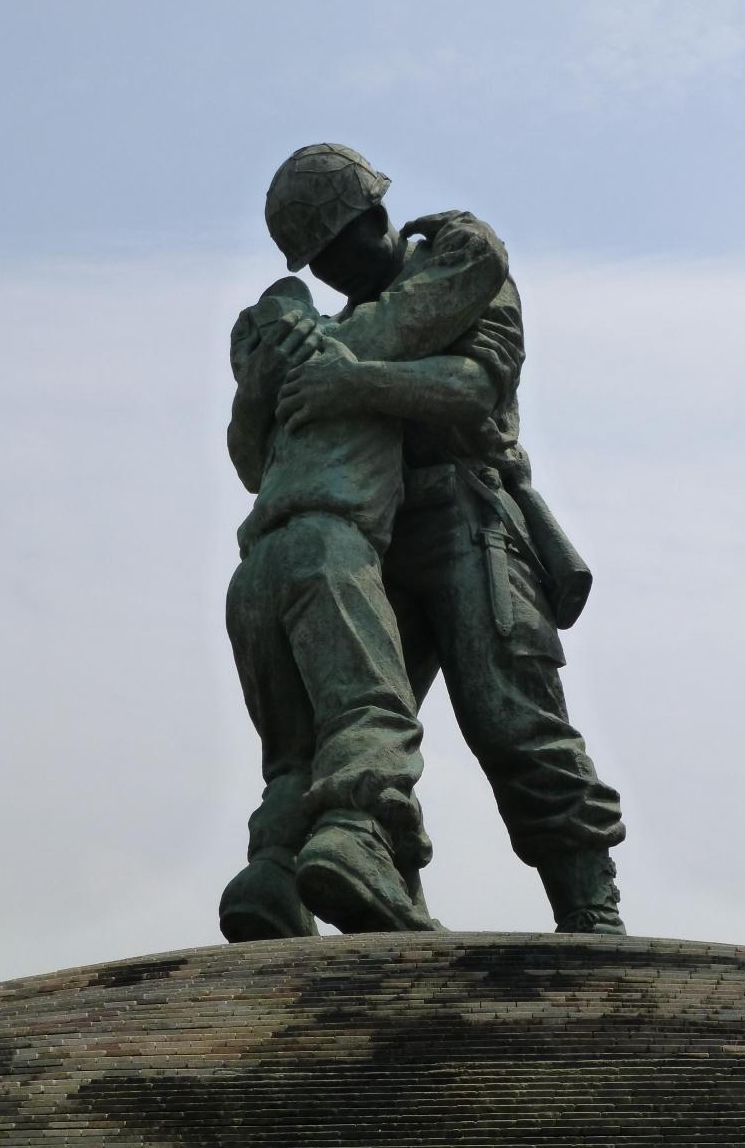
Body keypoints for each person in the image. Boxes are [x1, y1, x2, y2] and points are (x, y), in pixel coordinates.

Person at [272, 143, 627, 934]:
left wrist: (354, 383)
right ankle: (384, 893)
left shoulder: (466, 277)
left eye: (337, 248)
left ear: (376, 221)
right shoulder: (346, 332)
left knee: (515, 719)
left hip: (473, 520)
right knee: (356, 731)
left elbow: (475, 389)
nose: (329, 272)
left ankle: (589, 904)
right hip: (377, 536)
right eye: (316, 261)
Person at [220, 161, 510, 941]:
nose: (330, 274)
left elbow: (247, 458)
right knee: (370, 715)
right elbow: (470, 271)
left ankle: (272, 871)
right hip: (331, 550)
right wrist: (464, 233)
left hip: (257, 574)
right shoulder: (359, 340)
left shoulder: (276, 369)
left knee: (297, 752)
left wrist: (272, 352)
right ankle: (354, 839)